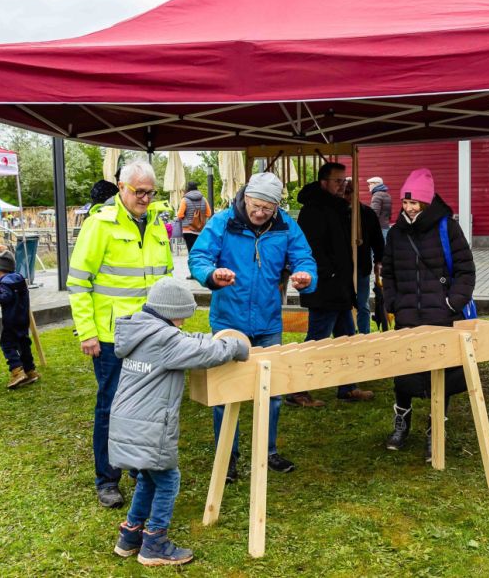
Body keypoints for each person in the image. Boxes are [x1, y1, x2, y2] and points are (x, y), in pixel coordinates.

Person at [110, 278, 249, 567]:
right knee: (169, 479)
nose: (185, 321)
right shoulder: (165, 340)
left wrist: (212, 336)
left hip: (130, 420)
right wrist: (236, 346)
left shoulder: (143, 329)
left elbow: (189, 341)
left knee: (149, 477)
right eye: (183, 315)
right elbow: (207, 353)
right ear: (169, 311)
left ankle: (130, 536)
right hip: (150, 425)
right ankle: (155, 544)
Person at [189, 172, 316, 482]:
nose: (260, 213)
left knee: (272, 392)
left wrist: (305, 275)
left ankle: (268, 450)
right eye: (256, 206)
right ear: (245, 198)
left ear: (276, 207)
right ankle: (227, 456)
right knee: (225, 392)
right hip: (228, 321)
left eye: (267, 209)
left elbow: (304, 257)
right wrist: (210, 274)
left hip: (269, 322)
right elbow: (199, 256)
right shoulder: (222, 222)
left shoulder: (286, 225)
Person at [66, 161, 173, 509]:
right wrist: (88, 333)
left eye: (150, 192)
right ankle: (107, 478)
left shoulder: (158, 223)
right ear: (121, 187)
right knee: (111, 405)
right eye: (138, 191)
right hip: (112, 335)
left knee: (146, 406)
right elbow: (79, 283)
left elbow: (166, 276)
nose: (144, 198)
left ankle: (137, 466)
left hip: (152, 331)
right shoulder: (99, 225)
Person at [381, 168, 475, 458]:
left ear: (426, 202)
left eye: (414, 203)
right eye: (405, 202)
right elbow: (390, 271)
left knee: (441, 374)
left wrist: (452, 303)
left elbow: (465, 270)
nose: (408, 208)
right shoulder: (397, 232)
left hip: (440, 314)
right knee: (404, 372)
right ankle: (402, 420)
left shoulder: (448, 227)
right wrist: (393, 302)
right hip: (408, 314)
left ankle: (436, 426)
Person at [292, 161, 373, 406]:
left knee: (346, 337)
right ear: (323, 182)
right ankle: (297, 389)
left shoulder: (336, 207)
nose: (342, 186)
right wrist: (330, 275)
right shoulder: (314, 210)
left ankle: (347, 386)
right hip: (325, 287)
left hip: (339, 287)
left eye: (344, 181)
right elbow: (311, 250)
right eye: (338, 181)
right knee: (317, 339)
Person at [0, 250, 39, 389]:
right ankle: (30, 370)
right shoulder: (20, 279)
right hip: (23, 319)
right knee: (23, 344)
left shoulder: (5, 283)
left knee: (7, 344)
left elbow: (6, 298)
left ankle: (17, 371)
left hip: (11, 320)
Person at [344, 178, 385, 335]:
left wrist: (379, 261)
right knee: (344, 305)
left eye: (349, 193)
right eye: (343, 193)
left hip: (362, 267)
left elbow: (378, 241)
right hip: (342, 270)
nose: (345, 197)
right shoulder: (336, 214)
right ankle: (346, 336)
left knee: (363, 304)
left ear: (356, 193)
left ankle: (364, 336)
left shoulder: (367, 214)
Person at [176, 181, 211, 258]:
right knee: (199, 250)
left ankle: (193, 267)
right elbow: (208, 213)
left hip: (187, 229)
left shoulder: (184, 200)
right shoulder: (204, 199)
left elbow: (179, 215)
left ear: (187, 189)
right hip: (200, 230)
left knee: (191, 251)